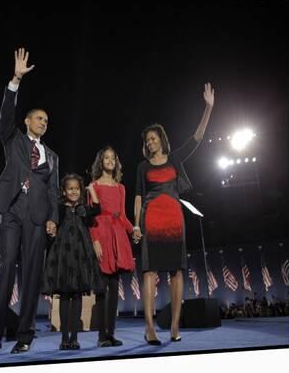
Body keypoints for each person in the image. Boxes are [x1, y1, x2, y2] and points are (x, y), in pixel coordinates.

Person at [0, 48, 59, 358]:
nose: (44, 122)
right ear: (27, 121)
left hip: (38, 219)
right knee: (4, 272)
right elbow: (5, 116)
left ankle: (25, 335)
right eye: (39, 118)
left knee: (31, 276)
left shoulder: (52, 157)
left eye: (47, 120)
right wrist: (15, 79)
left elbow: (53, 190)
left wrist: (53, 217)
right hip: (11, 212)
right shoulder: (13, 139)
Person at [132, 83, 215, 344]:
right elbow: (137, 196)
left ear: (161, 139)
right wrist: (136, 225)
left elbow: (197, 138)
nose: (150, 141)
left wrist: (208, 108)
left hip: (174, 220)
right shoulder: (142, 167)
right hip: (151, 220)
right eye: (147, 139)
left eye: (154, 137)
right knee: (148, 272)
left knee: (177, 272)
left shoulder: (175, 159)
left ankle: (175, 326)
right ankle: (149, 327)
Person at [43, 174, 103, 350]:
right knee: (63, 295)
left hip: (80, 256)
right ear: (64, 191)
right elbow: (52, 223)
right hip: (63, 255)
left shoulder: (84, 209)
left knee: (77, 295)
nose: (74, 191)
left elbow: (98, 209)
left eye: (77, 188)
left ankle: (74, 337)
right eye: (70, 188)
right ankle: (64, 337)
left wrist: (91, 191)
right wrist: (51, 230)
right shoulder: (60, 209)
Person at [89, 146, 135, 347]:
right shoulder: (94, 186)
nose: (110, 161)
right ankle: (101, 337)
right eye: (106, 158)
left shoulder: (120, 187)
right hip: (102, 234)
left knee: (115, 287)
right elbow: (92, 218)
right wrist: (95, 241)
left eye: (113, 158)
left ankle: (111, 333)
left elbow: (123, 216)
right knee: (102, 288)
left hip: (118, 236)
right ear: (101, 161)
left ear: (116, 162)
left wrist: (134, 230)